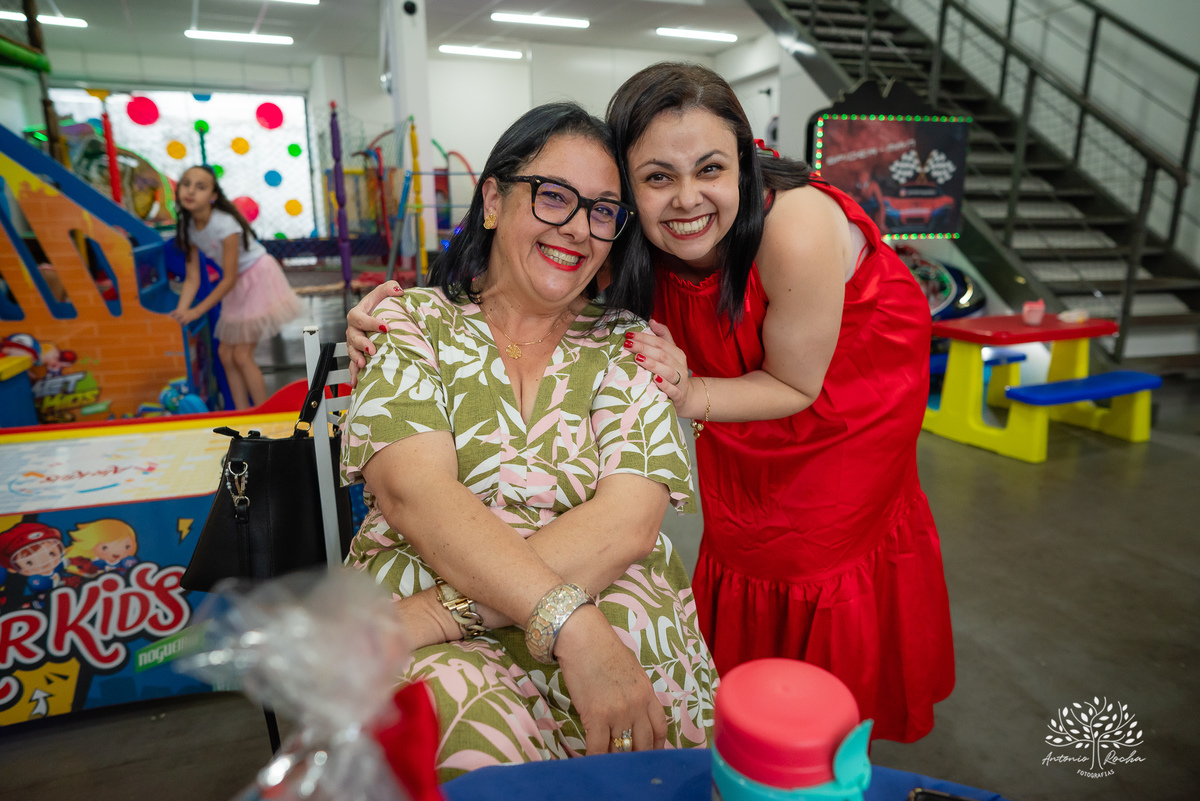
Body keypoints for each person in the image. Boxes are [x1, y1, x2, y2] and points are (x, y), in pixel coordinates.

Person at [347, 65, 954, 744]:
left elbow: (645, 509)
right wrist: (395, 321)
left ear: (744, 165)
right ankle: (764, 726)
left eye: (710, 168)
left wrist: (442, 612)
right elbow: (521, 282)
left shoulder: (787, 233)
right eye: (657, 176)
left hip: (841, 399)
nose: (685, 197)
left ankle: (810, 738)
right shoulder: (606, 245)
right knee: (746, 548)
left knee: (810, 561)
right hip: (727, 402)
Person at [340, 102, 716, 782]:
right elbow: (415, 494)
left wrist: (442, 612)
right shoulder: (411, 323)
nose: (577, 227)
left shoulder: (630, 344)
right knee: (458, 725)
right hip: (433, 600)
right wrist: (572, 623)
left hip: (570, 594)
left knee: (652, 705)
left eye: (602, 211)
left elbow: (628, 523)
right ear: (493, 200)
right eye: (554, 196)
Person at [171, 165, 301, 409]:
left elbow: (228, 278)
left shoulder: (224, 224)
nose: (191, 191)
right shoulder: (189, 227)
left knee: (241, 355)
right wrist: (181, 310)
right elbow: (192, 277)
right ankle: (242, 414)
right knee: (225, 354)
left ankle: (264, 414)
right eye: (186, 184)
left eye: (200, 187)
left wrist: (196, 311)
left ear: (213, 196)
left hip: (257, 275)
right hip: (238, 282)